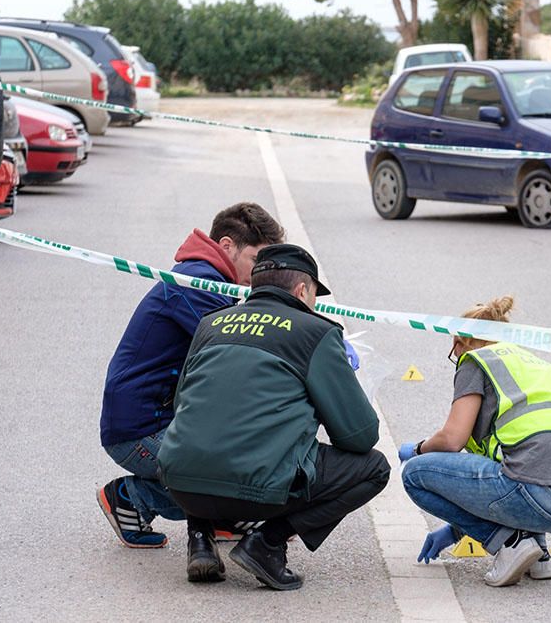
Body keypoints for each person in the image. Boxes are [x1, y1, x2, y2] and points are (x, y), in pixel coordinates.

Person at [157, 243, 390, 588]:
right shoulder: (316, 332)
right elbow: (360, 437)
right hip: (257, 494)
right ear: (301, 290)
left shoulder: (210, 324)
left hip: (182, 485)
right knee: (375, 468)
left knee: (206, 426)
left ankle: (201, 540)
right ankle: (266, 544)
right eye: (314, 296)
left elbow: (183, 407)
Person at [96, 203, 285, 550]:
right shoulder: (198, 283)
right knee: (232, 473)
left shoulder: (209, 278)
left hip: (158, 417)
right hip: (139, 431)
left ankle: (221, 514)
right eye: (257, 261)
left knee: (240, 448)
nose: (260, 274)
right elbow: (242, 354)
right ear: (227, 246)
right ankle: (131, 497)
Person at [398, 296, 551, 587]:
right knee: (519, 463)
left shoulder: (477, 361)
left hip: (544, 498)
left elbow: (452, 439)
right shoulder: (537, 368)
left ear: (465, 342)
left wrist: (417, 449)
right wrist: (457, 530)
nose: (455, 354)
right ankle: (538, 556)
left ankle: (509, 543)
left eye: (456, 345)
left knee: (416, 474)